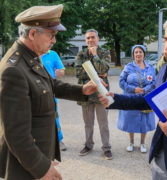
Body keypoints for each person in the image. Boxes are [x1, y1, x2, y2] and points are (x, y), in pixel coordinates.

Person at [0, 5, 98, 180]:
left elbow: (49, 84)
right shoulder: (13, 69)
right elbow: (16, 133)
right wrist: (41, 167)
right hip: (23, 165)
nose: (54, 41)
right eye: (51, 35)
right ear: (32, 34)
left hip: (35, 153)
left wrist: (82, 90)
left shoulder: (30, 57)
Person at [99, 15, 167, 179]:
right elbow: (148, 99)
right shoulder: (166, 69)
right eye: (166, 39)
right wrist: (115, 99)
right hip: (165, 153)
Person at [75, 29, 112, 160]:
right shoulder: (81, 54)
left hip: (101, 93)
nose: (90, 40)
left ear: (98, 39)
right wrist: (98, 75)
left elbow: (105, 69)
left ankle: (106, 148)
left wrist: (96, 56)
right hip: (86, 94)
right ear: (85, 40)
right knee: (88, 123)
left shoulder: (104, 52)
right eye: (88, 38)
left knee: (104, 123)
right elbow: (78, 73)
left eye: (93, 37)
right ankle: (88, 145)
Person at [118, 45, 156, 153]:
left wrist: (145, 89)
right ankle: (131, 142)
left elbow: (154, 82)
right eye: (136, 52)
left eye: (140, 52)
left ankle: (142, 143)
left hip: (145, 98)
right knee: (130, 120)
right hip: (131, 98)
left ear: (144, 54)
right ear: (133, 54)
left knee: (144, 120)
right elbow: (121, 82)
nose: (138, 54)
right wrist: (133, 89)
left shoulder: (150, 68)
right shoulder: (128, 67)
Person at [41, 50, 67, 151]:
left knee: (53, 115)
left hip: (50, 90)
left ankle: (59, 140)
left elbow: (62, 71)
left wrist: (59, 72)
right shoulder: (30, 52)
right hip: (33, 90)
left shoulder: (52, 54)